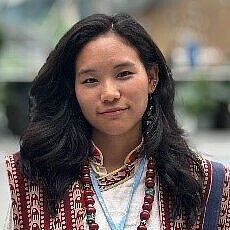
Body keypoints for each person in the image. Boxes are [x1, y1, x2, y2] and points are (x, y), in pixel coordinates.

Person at [4, 13, 230, 230]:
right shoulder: (30, 180)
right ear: (73, 89)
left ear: (152, 77)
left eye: (123, 74)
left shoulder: (208, 184)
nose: (109, 93)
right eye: (90, 80)